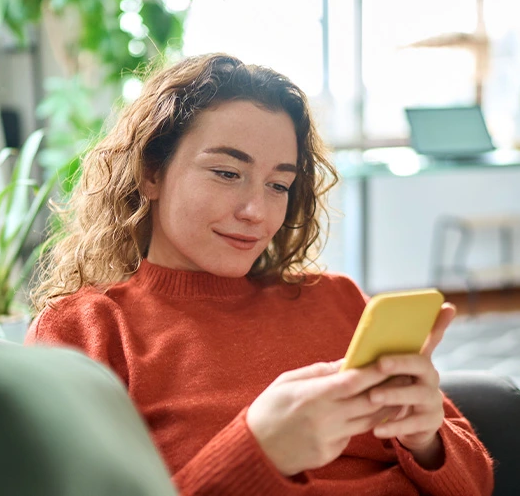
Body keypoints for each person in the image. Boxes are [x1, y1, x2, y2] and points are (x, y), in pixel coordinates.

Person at [26, 53, 493, 496]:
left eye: (279, 185)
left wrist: (427, 439)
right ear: (151, 172)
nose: (256, 212)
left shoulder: (338, 301)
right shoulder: (88, 330)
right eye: (228, 173)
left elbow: (478, 484)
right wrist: (256, 452)